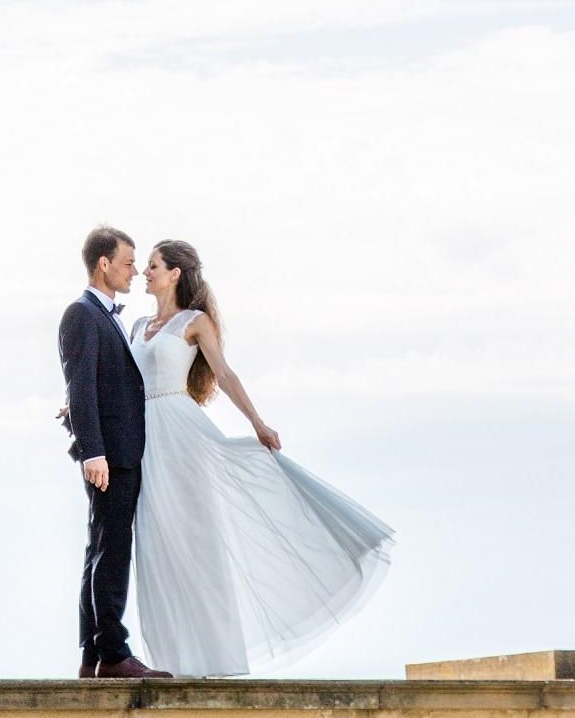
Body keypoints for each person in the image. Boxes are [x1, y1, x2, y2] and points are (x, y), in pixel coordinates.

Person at [129, 239, 395, 677]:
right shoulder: (138, 325)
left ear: (175, 273)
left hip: (180, 431)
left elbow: (225, 373)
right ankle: (171, 662)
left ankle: (213, 657)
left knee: (195, 539)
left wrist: (257, 422)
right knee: (157, 543)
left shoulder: (195, 323)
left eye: (153, 265)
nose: (145, 272)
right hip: (143, 436)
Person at [57, 227, 172, 679]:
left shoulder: (106, 316)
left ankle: (93, 656)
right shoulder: (82, 314)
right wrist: (94, 453)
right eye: (128, 262)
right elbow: (80, 386)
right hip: (110, 456)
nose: (134, 270)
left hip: (117, 451)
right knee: (112, 550)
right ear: (103, 264)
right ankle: (114, 653)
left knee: (100, 548)